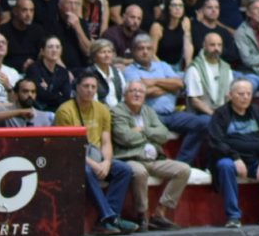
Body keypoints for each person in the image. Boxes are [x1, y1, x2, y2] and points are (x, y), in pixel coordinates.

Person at [56, 70, 139, 234]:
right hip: (71, 158)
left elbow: (106, 141)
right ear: (77, 87)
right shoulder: (65, 111)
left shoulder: (102, 109)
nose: (90, 90)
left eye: (93, 87)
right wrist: (95, 165)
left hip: (97, 157)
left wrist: (106, 162)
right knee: (87, 171)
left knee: (124, 169)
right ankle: (109, 218)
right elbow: (68, 147)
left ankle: (109, 218)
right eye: (86, 86)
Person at [207, 78, 259, 228]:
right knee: (225, 165)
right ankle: (233, 216)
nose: (245, 97)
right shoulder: (221, 114)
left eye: (248, 94)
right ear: (230, 95)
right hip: (231, 160)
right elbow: (216, 141)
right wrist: (235, 158)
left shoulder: (255, 111)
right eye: (241, 94)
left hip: (256, 160)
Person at [111, 79, 191, 231]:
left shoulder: (149, 111)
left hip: (154, 159)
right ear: (125, 95)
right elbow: (125, 137)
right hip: (130, 158)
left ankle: (160, 213)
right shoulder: (117, 111)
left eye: (140, 91)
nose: (137, 94)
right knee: (139, 172)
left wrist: (142, 130)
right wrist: (151, 134)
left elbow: (164, 134)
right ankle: (142, 214)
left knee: (183, 169)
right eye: (133, 91)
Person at [125, 34, 209, 167]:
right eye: (141, 48)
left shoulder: (162, 66)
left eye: (148, 48)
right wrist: (169, 87)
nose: (145, 52)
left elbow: (180, 84)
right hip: (149, 116)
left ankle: (182, 164)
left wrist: (154, 82)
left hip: (172, 114)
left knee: (205, 122)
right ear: (134, 51)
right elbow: (141, 92)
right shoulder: (130, 70)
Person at [24, 36, 74, 111]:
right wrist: (58, 95)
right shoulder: (34, 69)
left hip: (59, 109)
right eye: (50, 47)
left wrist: (48, 91)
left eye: (57, 47)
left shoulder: (63, 72)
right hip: (37, 109)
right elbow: (40, 94)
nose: (54, 50)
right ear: (42, 51)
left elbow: (66, 96)